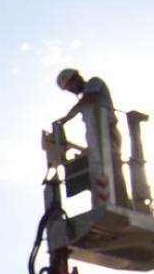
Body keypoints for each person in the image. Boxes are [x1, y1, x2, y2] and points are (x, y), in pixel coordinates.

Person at [55, 68, 129, 207]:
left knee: (112, 166)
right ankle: (104, 203)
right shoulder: (84, 100)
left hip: (108, 133)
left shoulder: (94, 83)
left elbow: (90, 98)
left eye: (70, 85)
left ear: (77, 78)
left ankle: (123, 203)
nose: (71, 90)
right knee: (97, 169)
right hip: (97, 138)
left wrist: (65, 119)